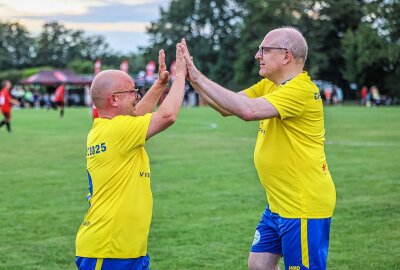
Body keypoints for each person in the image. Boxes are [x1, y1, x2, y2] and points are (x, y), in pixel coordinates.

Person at [181, 27, 336, 270]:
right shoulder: (270, 85)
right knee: (259, 264)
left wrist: (198, 76)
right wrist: (191, 78)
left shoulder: (302, 90)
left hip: (303, 204)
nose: (257, 55)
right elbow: (227, 107)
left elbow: (247, 111)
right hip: (278, 203)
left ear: (286, 56)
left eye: (264, 50)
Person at [75, 44, 187, 270]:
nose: (137, 96)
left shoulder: (106, 129)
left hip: (124, 247)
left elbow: (137, 112)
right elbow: (167, 115)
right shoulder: (118, 131)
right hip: (108, 250)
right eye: (133, 92)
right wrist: (181, 75)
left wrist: (159, 84)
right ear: (114, 99)